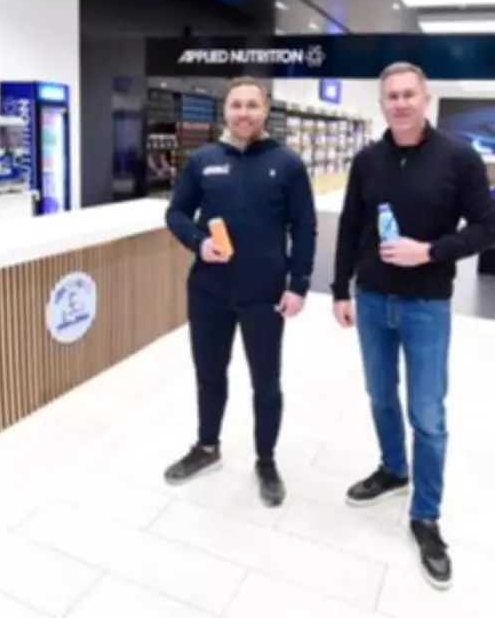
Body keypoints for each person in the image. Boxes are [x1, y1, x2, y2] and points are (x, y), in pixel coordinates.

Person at [332, 61, 495, 590]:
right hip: (372, 299)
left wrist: (430, 251)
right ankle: (392, 469)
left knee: (427, 414)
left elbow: (487, 227)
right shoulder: (367, 160)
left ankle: (425, 516)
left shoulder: (459, 158)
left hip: (427, 304)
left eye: (409, 94)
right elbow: (350, 226)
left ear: (425, 99)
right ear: (382, 103)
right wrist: (339, 288)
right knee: (380, 395)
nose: (400, 103)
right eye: (392, 96)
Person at [164, 76, 317, 506]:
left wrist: (299, 284)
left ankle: (266, 460)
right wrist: (199, 243)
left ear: (265, 110)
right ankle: (207, 447)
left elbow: (304, 227)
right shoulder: (203, 160)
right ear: (225, 110)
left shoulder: (287, 163)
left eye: (252, 105)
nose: (244, 113)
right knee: (209, 373)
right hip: (208, 291)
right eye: (236, 105)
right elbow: (176, 213)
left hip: (264, 293)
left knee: (266, 381)